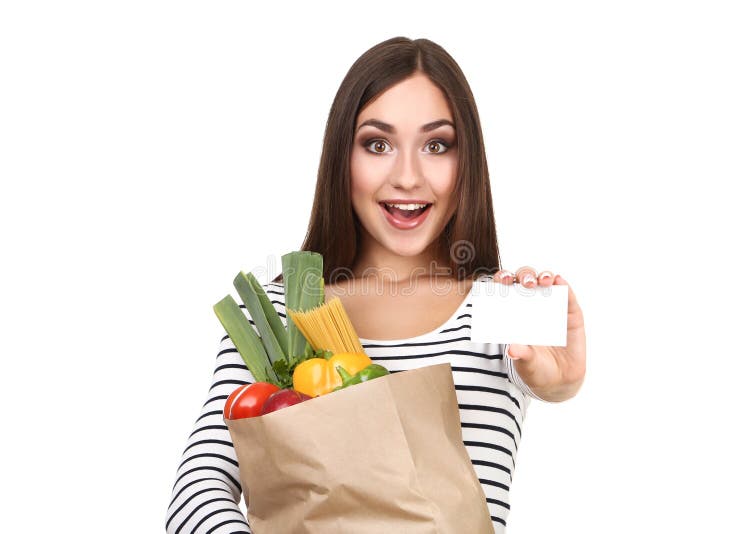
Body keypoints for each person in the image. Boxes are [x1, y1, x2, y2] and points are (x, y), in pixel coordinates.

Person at [166, 36, 586, 534]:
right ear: (342, 157)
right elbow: (199, 488)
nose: (407, 177)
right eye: (377, 144)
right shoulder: (278, 312)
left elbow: (552, 379)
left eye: (436, 145)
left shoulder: (503, 303)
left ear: (466, 160)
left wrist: (561, 382)